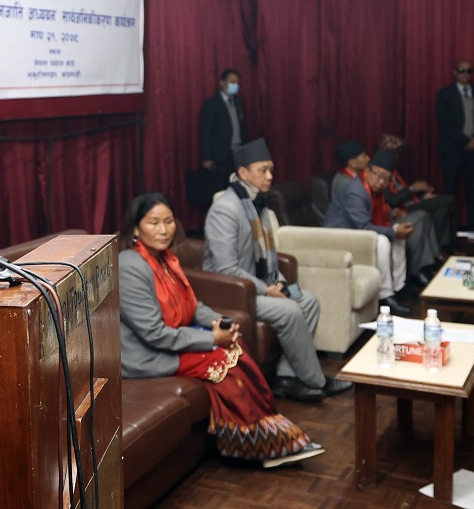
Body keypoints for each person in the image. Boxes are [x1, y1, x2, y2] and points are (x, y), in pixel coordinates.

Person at [119, 192, 325, 468]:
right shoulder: (130, 266)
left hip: (170, 339)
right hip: (147, 354)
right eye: (153, 223)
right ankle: (256, 443)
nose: (164, 230)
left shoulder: (165, 259)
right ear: (135, 229)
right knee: (222, 359)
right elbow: (154, 334)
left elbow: (192, 306)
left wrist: (223, 322)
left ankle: (271, 428)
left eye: (169, 221)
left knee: (234, 345)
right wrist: (211, 338)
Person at [203, 138, 352, 402]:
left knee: (308, 300)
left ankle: (286, 378)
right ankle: (316, 380)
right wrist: (267, 290)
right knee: (291, 310)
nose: (270, 176)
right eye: (263, 170)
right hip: (236, 293)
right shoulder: (225, 209)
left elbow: (269, 256)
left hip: (262, 285)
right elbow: (226, 269)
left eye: (271, 169)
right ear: (243, 173)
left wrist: (280, 284)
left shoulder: (258, 203)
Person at [332, 138, 440, 286]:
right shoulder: (348, 184)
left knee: (418, 218)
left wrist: (391, 214)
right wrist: (393, 230)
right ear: (352, 163)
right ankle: (394, 286)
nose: (368, 158)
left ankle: (403, 282)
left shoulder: (369, 180)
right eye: (364, 156)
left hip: (372, 223)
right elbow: (360, 222)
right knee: (395, 233)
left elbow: (371, 208)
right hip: (352, 232)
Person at [322, 149, 413, 315]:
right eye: (378, 175)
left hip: (356, 234)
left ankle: (399, 287)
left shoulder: (374, 190)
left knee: (398, 236)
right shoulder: (356, 191)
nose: (381, 181)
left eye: (386, 178)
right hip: (338, 239)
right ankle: (385, 295)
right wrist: (393, 231)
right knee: (382, 241)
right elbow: (364, 227)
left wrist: (395, 229)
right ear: (368, 170)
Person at [378, 133, 456, 253]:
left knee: (450, 201)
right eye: (394, 153)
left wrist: (421, 197)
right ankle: (439, 249)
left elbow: (401, 190)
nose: (397, 157)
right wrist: (413, 188)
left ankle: (446, 246)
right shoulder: (380, 173)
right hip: (401, 209)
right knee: (445, 202)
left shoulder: (394, 170)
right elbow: (392, 200)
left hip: (412, 202)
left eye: (398, 153)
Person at [436, 60, 474, 231]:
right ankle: (449, 231)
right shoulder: (445, 94)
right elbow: (443, 123)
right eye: (461, 70)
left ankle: (473, 229)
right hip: (452, 149)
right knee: (450, 190)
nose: (465, 74)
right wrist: (466, 141)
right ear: (455, 72)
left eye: (469, 71)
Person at [200, 68, 247, 185]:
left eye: (237, 82)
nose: (235, 85)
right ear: (222, 83)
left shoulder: (238, 103)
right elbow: (206, 132)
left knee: (238, 185)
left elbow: (243, 128)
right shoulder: (212, 104)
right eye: (232, 82)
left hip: (238, 153)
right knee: (221, 186)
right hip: (220, 155)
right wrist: (207, 157)